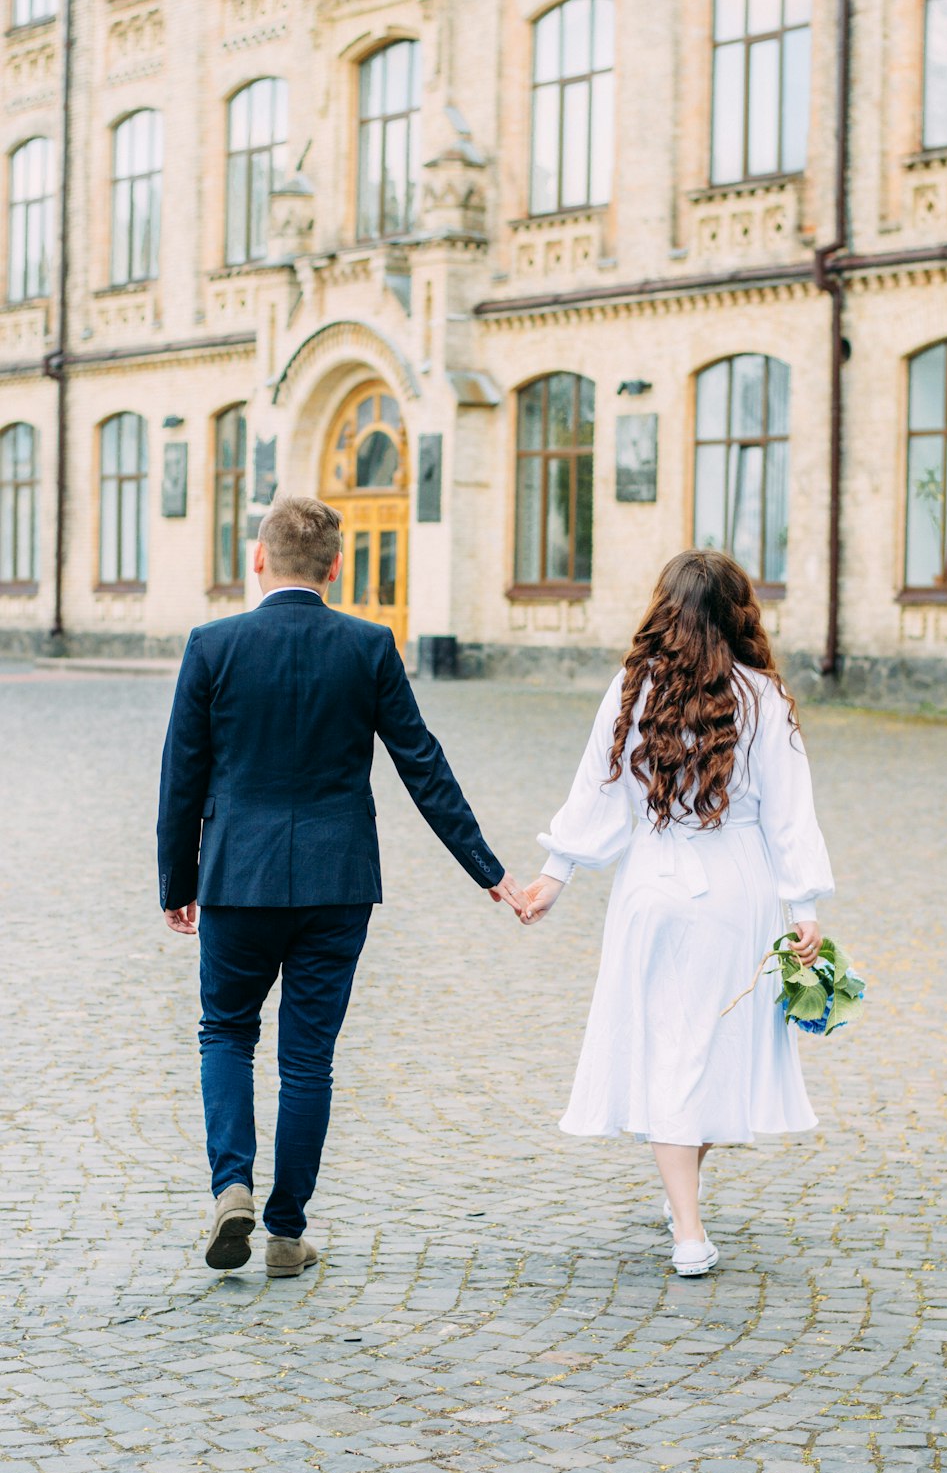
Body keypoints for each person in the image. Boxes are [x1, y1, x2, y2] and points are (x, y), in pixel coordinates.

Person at [157, 497, 523, 1277]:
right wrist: (488, 870)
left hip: (237, 878)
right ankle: (286, 1234)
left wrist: (175, 882)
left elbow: (181, 776)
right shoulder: (368, 646)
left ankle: (231, 1186)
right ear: (335, 567)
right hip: (337, 879)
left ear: (257, 559)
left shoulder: (212, 645)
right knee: (308, 1058)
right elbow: (422, 764)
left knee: (225, 1031)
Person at [517, 550, 834, 1277]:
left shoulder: (632, 690)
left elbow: (594, 789)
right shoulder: (764, 697)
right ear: (737, 612)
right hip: (738, 892)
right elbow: (790, 815)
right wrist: (804, 903)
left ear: (666, 610)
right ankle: (688, 1227)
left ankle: (682, 1209)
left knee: (671, 1050)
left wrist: (553, 878)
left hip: (652, 888)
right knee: (714, 1050)